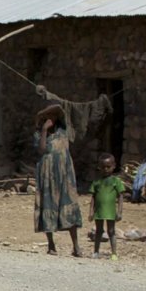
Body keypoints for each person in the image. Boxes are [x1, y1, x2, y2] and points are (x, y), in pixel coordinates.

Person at [33, 104, 86, 256]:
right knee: (48, 205)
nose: (50, 119)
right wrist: (44, 130)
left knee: (69, 206)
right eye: (47, 116)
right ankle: (51, 244)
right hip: (48, 175)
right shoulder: (39, 134)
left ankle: (76, 246)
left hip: (64, 175)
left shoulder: (63, 132)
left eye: (53, 116)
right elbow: (41, 150)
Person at [88, 153, 127, 258]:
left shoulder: (116, 181)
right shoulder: (96, 182)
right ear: (99, 167)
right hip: (99, 211)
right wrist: (91, 211)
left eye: (108, 167)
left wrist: (119, 212)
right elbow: (93, 197)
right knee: (98, 231)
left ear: (114, 166)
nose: (106, 169)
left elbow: (121, 196)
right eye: (103, 167)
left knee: (111, 231)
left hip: (110, 211)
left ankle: (114, 253)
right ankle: (96, 252)